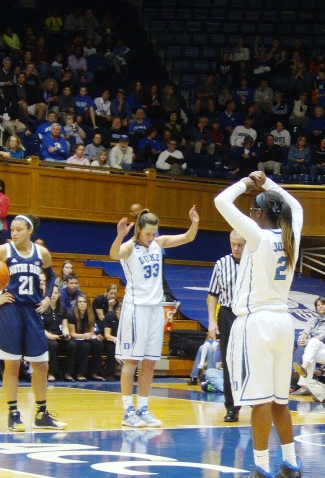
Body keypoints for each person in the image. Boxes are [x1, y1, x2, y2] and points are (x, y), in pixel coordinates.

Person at [214, 171, 303, 478]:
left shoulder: (257, 236)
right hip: (283, 322)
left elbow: (221, 201)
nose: (250, 214)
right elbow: (296, 206)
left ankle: (262, 467)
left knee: (259, 401)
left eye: (253, 210)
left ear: (260, 214)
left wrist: (247, 183)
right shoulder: (292, 233)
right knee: (280, 401)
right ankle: (291, 464)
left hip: (257, 324)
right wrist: (268, 184)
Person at [109, 206, 200, 428]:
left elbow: (188, 237)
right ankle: (128, 411)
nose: (151, 237)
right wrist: (120, 235)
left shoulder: (158, 244)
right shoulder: (129, 247)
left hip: (155, 309)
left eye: (154, 233)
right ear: (139, 230)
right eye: (148, 233)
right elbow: (113, 255)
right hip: (136, 309)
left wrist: (195, 222)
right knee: (131, 361)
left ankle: (143, 408)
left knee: (150, 362)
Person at [0, 214, 66, 432]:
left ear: (29, 231)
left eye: (18, 230)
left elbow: (51, 276)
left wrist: (48, 298)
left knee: (41, 364)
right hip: (10, 311)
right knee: (11, 365)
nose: (13, 233)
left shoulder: (41, 253)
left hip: (32, 310)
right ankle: (13, 414)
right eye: (12, 229)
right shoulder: (4, 250)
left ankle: (41, 414)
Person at [206, 230, 247, 422]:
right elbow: (213, 294)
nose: (236, 248)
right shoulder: (221, 264)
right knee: (228, 360)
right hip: (227, 313)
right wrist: (211, 322)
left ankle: (255, 402)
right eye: (233, 245)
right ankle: (232, 407)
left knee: (251, 359)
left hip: (248, 315)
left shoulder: (255, 263)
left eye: (240, 245)